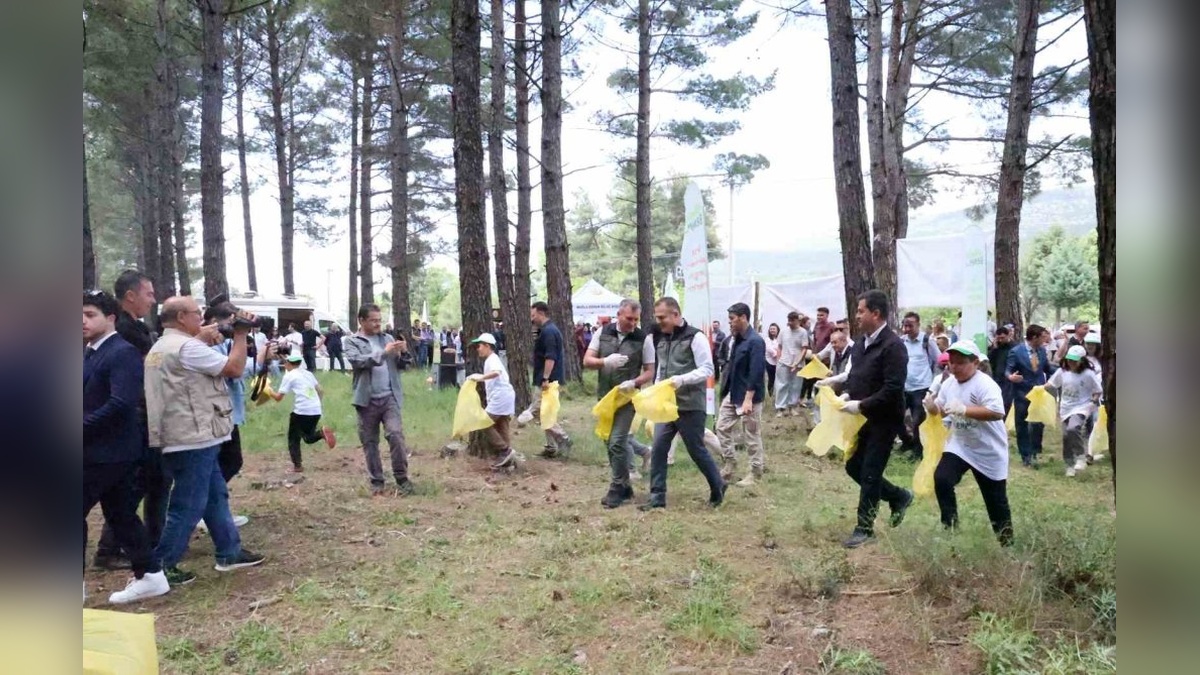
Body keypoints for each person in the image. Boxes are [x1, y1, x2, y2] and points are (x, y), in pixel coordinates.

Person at [145, 297, 266, 584]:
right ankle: (161, 566)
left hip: (183, 432)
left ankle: (229, 551)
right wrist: (240, 333)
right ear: (182, 318)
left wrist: (204, 338)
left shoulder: (161, 347)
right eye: (197, 314)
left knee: (214, 495)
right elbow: (235, 369)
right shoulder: (187, 348)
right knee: (188, 503)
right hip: (193, 435)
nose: (202, 318)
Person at [84, 291, 170, 604]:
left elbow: (121, 402)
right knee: (120, 513)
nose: (81, 321)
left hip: (108, 452)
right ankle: (149, 575)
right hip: (103, 450)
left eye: (90, 314)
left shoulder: (121, 352)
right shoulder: (91, 351)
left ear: (110, 318)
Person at [832, 290, 912, 549]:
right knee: (854, 466)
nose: (857, 316)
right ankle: (899, 496)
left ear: (875, 314)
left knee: (870, 472)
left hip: (885, 419)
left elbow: (892, 389)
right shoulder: (860, 344)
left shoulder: (893, 346)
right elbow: (857, 376)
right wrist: (846, 395)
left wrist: (862, 404)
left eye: (861, 311)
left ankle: (864, 528)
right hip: (863, 418)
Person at [94, 270, 163, 571]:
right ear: (130, 296)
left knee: (149, 481)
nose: (153, 299)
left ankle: (142, 543)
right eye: (148, 293)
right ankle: (115, 548)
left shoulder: (134, 327)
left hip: (141, 416)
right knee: (134, 485)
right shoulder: (125, 331)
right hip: (135, 418)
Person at [640, 297, 727, 511]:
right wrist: (657, 386)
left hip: (690, 405)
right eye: (657, 318)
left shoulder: (695, 337)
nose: (659, 322)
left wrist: (682, 379)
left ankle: (718, 485)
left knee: (696, 449)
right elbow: (661, 367)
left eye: (663, 317)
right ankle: (657, 497)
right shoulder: (660, 336)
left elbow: (708, 369)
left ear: (676, 315)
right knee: (659, 447)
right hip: (667, 405)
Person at [925, 340, 1013, 547]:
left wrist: (964, 409)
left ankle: (1007, 543)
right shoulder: (948, 384)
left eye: (960, 363)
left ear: (975, 363)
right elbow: (940, 408)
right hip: (961, 445)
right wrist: (931, 407)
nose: (954, 367)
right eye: (951, 363)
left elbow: (997, 412)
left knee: (996, 501)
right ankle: (950, 527)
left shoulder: (985, 384)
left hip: (988, 449)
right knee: (942, 479)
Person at [583, 300, 656, 508]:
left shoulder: (644, 339)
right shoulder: (602, 333)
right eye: (628, 319)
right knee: (609, 440)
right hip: (605, 396)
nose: (632, 323)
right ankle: (625, 486)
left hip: (628, 397)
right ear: (618, 315)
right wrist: (605, 362)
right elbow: (587, 361)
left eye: (636, 319)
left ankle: (616, 488)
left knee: (617, 440)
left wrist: (634, 382)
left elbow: (650, 371)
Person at [344, 304, 415, 495]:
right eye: (373, 320)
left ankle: (402, 478)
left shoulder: (388, 338)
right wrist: (384, 352)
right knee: (370, 442)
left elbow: (401, 366)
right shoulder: (352, 341)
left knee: (395, 435)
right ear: (361, 320)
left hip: (389, 397)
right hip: (366, 400)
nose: (377, 324)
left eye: (379, 320)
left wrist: (404, 352)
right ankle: (377, 481)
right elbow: (359, 362)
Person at [202, 301, 257, 527]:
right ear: (216, 322)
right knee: (226, 463)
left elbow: (240, 369)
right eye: (233, 322)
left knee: (227, 463)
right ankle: (207, 511)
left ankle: (214, 511)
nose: (236, 327)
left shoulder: (224, 342)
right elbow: (233, 371)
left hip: (227, 412)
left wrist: (262, 357)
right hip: (217, 413)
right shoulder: (209, 344)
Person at [715, 303, 767, 487]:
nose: (729, 323)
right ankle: (730, 462)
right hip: (733, 392)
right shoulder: (736, 339)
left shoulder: (756, 341)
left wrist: (748, 400)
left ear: (743, 317)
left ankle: (755, 472)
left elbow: (756, 372)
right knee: (721, 427)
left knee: (751, 434)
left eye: (732, 319)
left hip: (749, 396)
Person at [517, 302, 573, 458]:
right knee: (546, 413)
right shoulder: (547, 331)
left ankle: (563, 438)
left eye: (533, 315)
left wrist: (545, 378)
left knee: (541, 412)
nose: (532, 319)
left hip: (548, 381)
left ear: (541, 314)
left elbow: (550, 357)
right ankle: (551, 447)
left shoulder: (549, 332)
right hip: (547, 379)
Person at [270, 352, 337, 472]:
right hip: (316, 409)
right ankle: (321, 433)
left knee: (293, 438)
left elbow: (278, 398)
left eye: (285, 362)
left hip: (301, 411)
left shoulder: (289, 375)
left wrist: (267, 390)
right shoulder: (308, 373)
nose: (284, 364)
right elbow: (320, 390)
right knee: (308, 437)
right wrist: (316, 404)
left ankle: (297, 466)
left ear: (289, 363)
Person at [1044, 345, 1102, 477]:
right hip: (1065, 408)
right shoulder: (1063, 372)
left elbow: (1097, 391)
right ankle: (1069, 464)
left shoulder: (1088, 374)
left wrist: (1092, 402)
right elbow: (1051, 384)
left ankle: (1081, 455)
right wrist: (1039, 390)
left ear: (1082, 361)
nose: (1071, 363)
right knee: (1066, 436)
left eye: (1075, 361)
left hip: (1081, 407)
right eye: (1069, 360)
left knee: (1073, 428)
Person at [1005, 324, 1056, 468]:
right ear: (1034, 337)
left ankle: (1035, 449)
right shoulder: (1016, 351)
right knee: (1022, 424)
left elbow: (1046, 368)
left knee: (1038, 422)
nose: (1045, 339)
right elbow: (1007, 370)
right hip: (1022, 392)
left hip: (1039, 392)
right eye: (1042, 336)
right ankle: (1026, 455)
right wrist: (1011, 377)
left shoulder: (1041, 351)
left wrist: (1062, 371)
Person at [466, 333, 519, 468]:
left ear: (487, 346)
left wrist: (480, 378)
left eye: (479, 346)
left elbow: (496, 372)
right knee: (502, 426)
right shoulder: (491, 359)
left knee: (483, 422)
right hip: (505, 396)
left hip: (500, 397)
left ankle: (504, 450)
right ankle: (508, 461)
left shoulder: (492, 359)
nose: (478, 349)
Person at [896, 312, 942, 460]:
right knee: (896, 417)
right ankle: (906, 441)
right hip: (904, 387)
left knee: (918, 422)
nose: (907, 328)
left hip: (921, 388)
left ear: (918, 324)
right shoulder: (901, 342)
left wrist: (934, 385)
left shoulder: (927, 341)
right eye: (905, 325)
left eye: (910, 325)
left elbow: (939, 361)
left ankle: (918, 451)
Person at [773, 311, 810, 418]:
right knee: (781, 384)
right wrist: (779, 359)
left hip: (797, 363)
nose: (789, 323)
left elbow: (804, 349)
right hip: (784, 362)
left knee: (796, 385)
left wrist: (796, 363)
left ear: (797, 321)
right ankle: (780, 408)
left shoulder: (803, 332)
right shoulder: (783, 332)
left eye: (792, 320)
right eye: (788, 320)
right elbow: (779, 346)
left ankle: (792, 407)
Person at [987, 326, 1017, 415]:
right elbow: (990, 360)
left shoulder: (1014, 347)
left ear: (1008, 336)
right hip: (997, 377)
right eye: (998, 338)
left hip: (1009, 378)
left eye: (1002, 338)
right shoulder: (996, 348)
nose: (1000, 340)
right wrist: (994, 348)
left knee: (1006, 401)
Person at [764, 323, 781, 396]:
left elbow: (781, 348)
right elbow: (769, 349)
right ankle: (770, 394)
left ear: (777, 330)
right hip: (770, 362)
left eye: (774, 329)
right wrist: (777, 353)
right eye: (771, 329)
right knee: (771, 379)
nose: (772, 330)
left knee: (779, 379)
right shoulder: (767, 339)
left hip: (779, 362)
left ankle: (778, 394)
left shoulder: (779, 339)